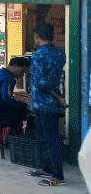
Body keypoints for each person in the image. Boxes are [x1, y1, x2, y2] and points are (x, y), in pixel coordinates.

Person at [28, 22, 67, 187]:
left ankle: (57, 174)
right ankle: (46, 168)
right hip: (52, 103)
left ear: (37, 37)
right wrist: (58, 97)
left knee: (48, 139)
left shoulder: (38, 55)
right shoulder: (60, 53)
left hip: (42, 102)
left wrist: (56, 96)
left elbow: (41, 82)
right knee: (48, 137)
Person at [0, 56, 31, 133]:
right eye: (22, 71)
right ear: (14, 66)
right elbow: (6, 98)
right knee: (25, 110)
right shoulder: (8, 78)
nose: (22, 75)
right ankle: (15, 137)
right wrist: (24, 104)